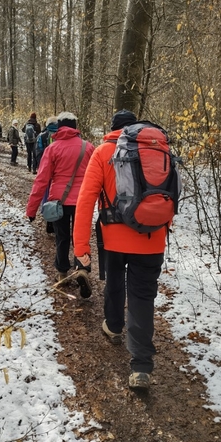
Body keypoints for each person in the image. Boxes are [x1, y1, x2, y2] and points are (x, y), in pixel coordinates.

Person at [73, 110, 168, 391]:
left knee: (115, 281)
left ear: (113, 129)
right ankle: (141, 367)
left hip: (113, 238)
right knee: (142, 297)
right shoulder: (157, 149)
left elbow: (85, 200)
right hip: (152, 237)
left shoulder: (103, 152)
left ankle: (114, 326)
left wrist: (81, 247)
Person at [26, 112, 95, 295]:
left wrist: (32, 209)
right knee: (80, 237)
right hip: (83, 200)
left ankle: (62, 272)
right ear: (75, 126)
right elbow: (97, 177)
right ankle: (82, 268)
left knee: (62, 237)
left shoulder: (53, 149)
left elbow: (41, 181)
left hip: (59, 200)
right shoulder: (88, 148)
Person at [36, 116, 58, 233]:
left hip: (46, 172)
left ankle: (49, 220)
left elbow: (38, 152)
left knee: (47, 196)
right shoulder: (61, 136)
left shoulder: (42, 136)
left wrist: (40, 168)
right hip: (59, 173)